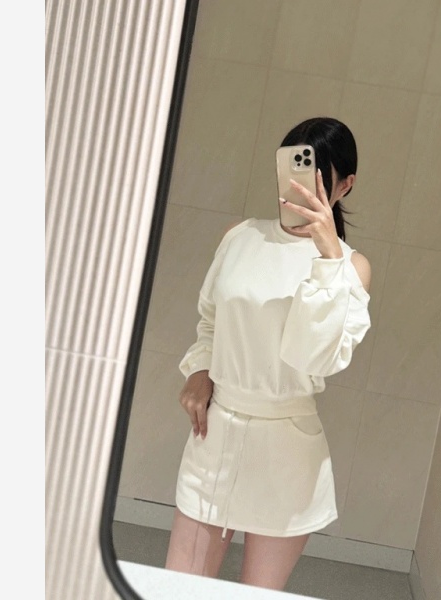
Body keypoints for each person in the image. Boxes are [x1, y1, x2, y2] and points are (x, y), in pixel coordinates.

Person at [165, 117, 372, 591]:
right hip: (215, 434)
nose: (298, 188)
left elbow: (315, 358)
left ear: (345, 185)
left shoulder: (351, 267)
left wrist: (327, 260)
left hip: (287, 450)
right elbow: (211, 320)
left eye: (316, 176)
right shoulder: (240, 236)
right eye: (291, 169)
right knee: (178, 589)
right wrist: (200, 369)